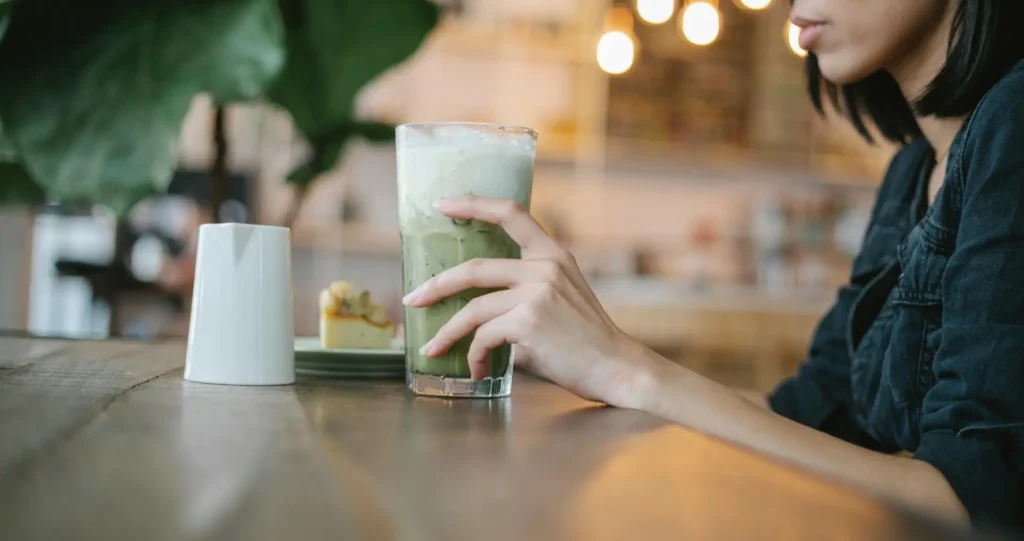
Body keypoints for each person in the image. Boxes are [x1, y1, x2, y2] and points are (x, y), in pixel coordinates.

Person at [401, 0, 1024, 534]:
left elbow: (971, 503)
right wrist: (591, 366)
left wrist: (624, 367)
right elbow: (806, 418)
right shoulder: (913, 172)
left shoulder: (1015, 120)